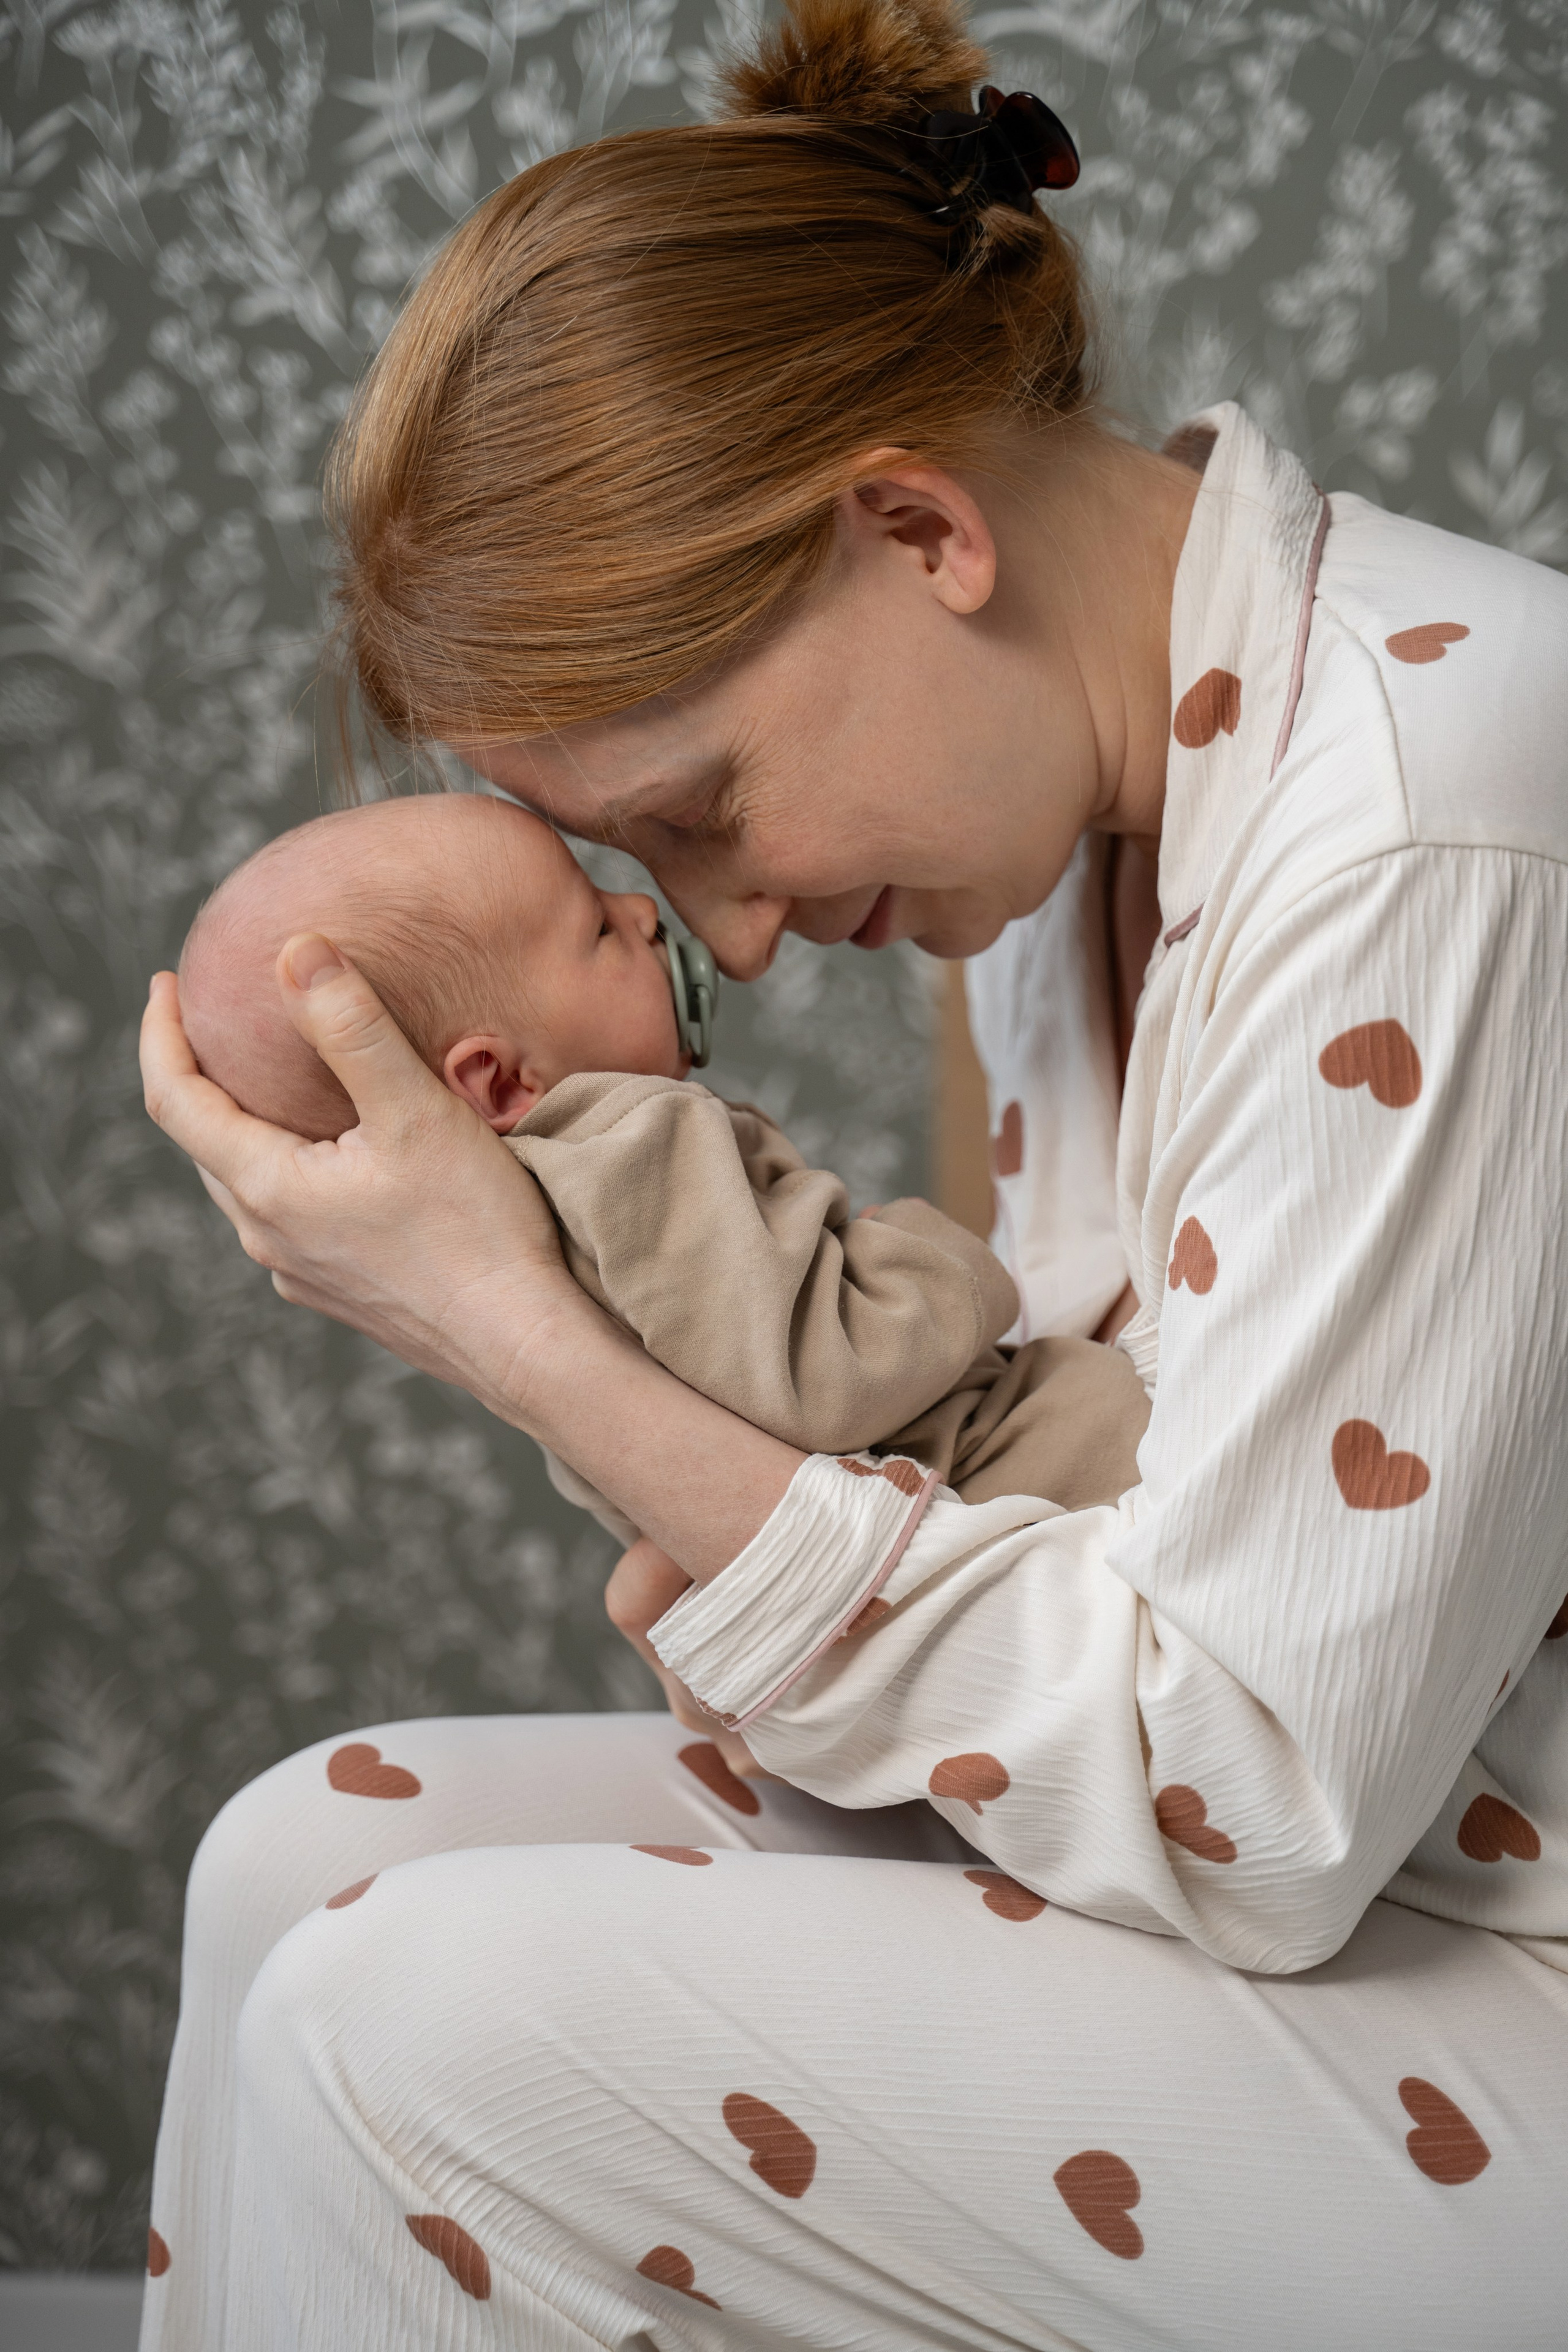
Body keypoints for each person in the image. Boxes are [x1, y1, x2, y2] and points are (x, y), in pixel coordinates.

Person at [137, 0, 1568, 2343]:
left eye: (702, 809)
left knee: (411, 2039)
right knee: (290, 1855)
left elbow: (1262, 1806)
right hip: (1385, 1875)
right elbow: (1074, 1502)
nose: (725, 934)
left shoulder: (1430, 827)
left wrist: (517, 1332)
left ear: (916, 527)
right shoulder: (1060, 833)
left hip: (1500, 1941)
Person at [177, 793, 1148, 1538]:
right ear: (500, 1082)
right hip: (1026, 1479)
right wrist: (936, 1258)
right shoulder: (628, 1147)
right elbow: (835, 1375)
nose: (642, 908)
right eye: (596, 927)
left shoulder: (512, 1221)